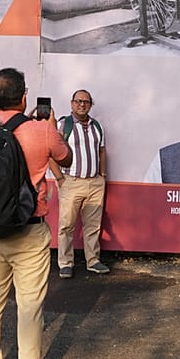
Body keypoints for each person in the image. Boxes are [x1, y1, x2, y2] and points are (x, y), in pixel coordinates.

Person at [0, 68, 73, 359]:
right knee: (29, 307)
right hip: (28, 231)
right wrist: (50, 125)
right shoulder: (42, 131)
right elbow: (65, 157)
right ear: (25, 96)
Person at [48, 90, 109, 279]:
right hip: (71, 182)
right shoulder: (62, 125)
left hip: (94, 183)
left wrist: (102, 175)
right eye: (78, 101)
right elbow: (50, 152)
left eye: (86, 102)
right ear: (72, 103)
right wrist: (59, 178)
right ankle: (65, 263)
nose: (82, 105)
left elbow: (102, 151)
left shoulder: (97, 126)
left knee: (93, 226)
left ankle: (93, 261)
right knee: (66, 225)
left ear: (90, 105)